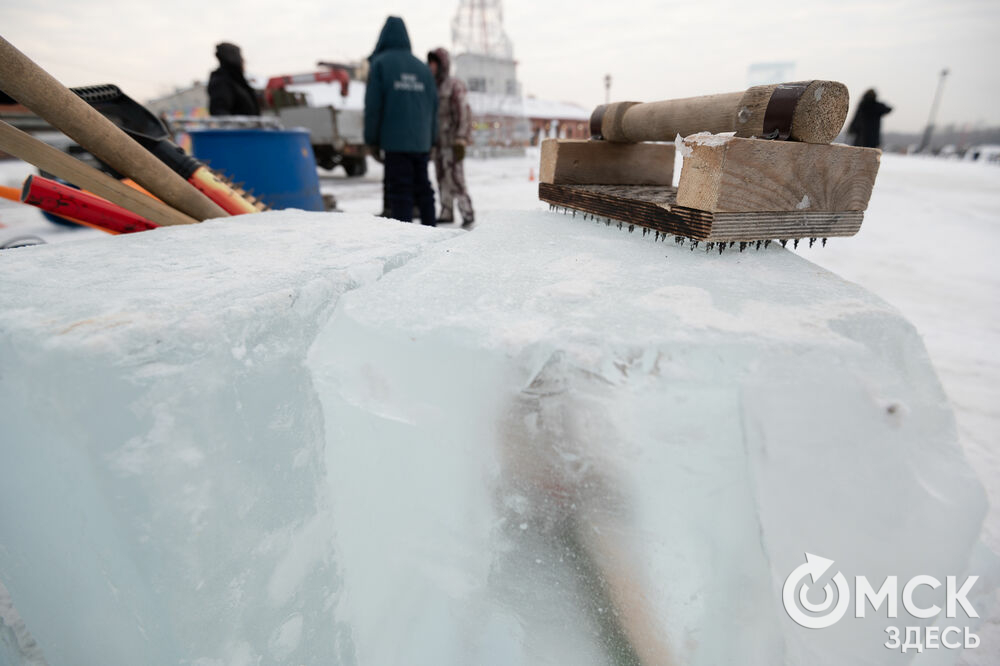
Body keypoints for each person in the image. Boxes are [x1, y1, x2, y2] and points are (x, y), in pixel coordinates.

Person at [364, 17, 438, 225]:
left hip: (395, 142)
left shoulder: (380, 64)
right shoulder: (423, 68)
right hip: (421, 142)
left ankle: (405, 238)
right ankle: (433, 233)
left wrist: (371, 139)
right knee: (424, 189)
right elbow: (434, 108)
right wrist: (432, 139)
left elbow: (373, 107)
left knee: (400, 191)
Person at [427, 48, 475, 228]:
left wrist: (461, 138)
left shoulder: (454, 85)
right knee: (441, 178)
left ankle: (467, 212)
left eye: (434, 63)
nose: (431, 67)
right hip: (438, 144)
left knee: (456, 179)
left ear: (442, 64)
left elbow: (463, 113)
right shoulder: (432, 86)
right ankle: (446, 211)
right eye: (430, 63)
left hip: (452, 142)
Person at [207, 42, 260, 116]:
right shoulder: (222, 82)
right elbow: (220, 113)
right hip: (241, 128)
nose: (243, 60)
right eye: (240, 56)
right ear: (234, 58)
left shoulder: (236, 81)